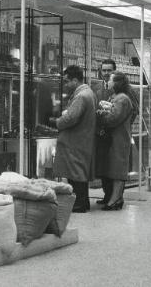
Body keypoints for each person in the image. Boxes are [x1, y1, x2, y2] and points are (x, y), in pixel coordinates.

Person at [49, 65, 97, 213]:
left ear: (75, 80)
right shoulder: (88, 93)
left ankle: (79, 204)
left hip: (76, 141)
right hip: (82, 139)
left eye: (67, 81)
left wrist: (57, 122)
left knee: (75, 174)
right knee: (79, 172)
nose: (65, 85)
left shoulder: (81, 96)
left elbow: (71, 118)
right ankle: (83, 202)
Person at [96, 72, 134, 211]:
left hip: (119, 138)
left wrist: (100, 115)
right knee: (112, 168)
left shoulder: (122, 99)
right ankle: (114, 197)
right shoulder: (116, 97)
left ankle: (115, 199)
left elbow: (113, 118)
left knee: (118, 170)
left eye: (111, 80)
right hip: (113, 139)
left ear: (117, 83)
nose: (108, 82)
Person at [95, 58, 117, 205]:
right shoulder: (97, 89)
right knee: (103, 166)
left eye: (110, 70)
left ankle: (114, 197)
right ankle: (107, 194)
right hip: (101, 134)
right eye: (104, 70)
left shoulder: (121, 89)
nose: (107, 73)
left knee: (114, 167)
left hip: (115, 133)